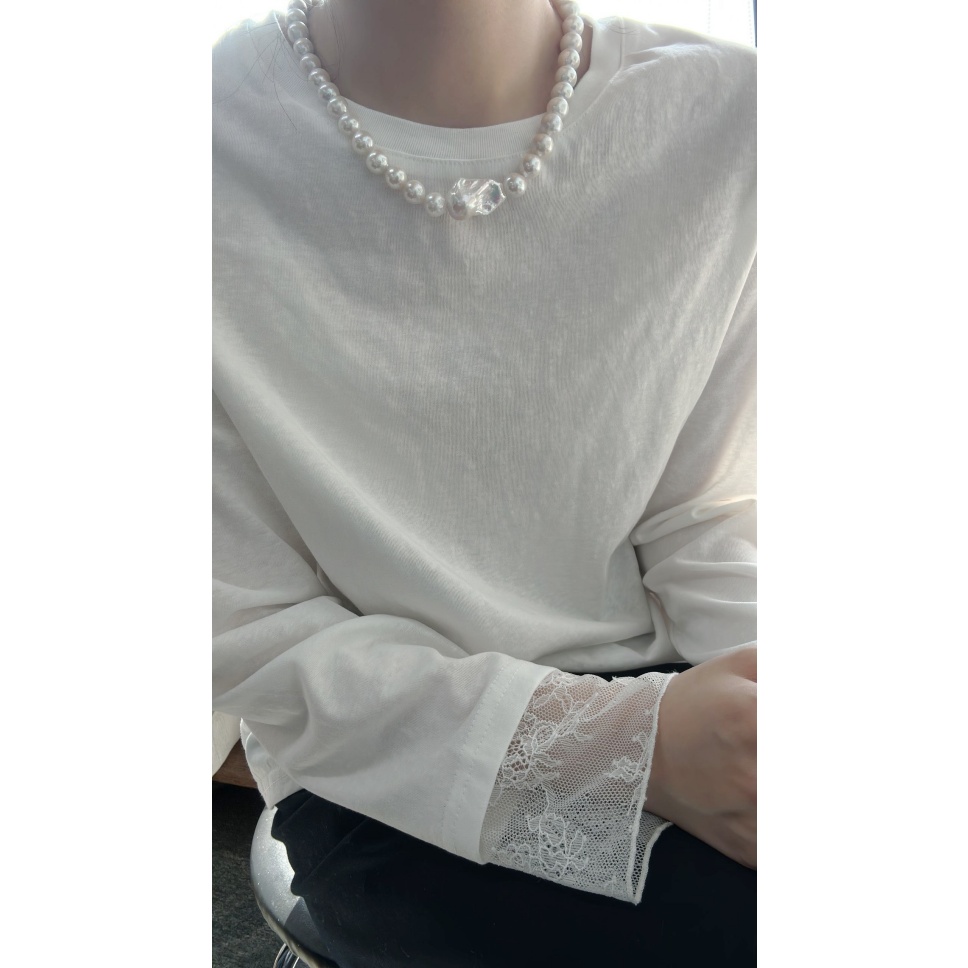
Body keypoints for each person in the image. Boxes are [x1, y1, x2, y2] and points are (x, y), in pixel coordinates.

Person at [213, 0, 756, 964]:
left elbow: (706, 506)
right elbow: (244, 630)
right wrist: (628, 749)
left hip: (682, 686)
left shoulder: (727, 113)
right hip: (385, 764)